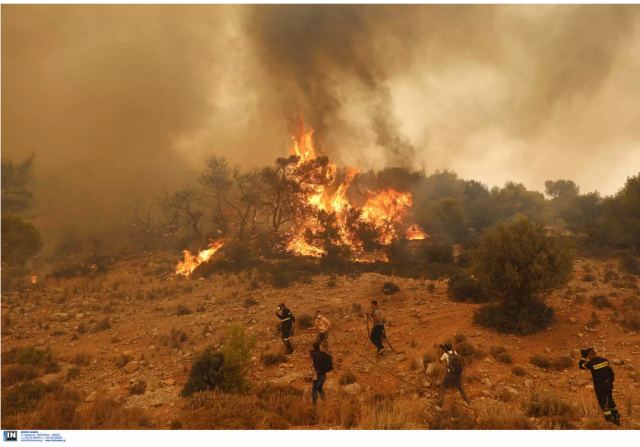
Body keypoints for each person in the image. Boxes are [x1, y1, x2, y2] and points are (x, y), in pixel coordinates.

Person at [579, 347, 620, 425]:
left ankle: (609, 422)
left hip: (600, 387)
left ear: (589, 356)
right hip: (608, 385)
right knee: (610, 401)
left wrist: (583, 357)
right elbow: (611, 372)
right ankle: (616, 418)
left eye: (587, 356)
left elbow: (581, 366)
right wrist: (610, 382)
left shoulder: (591, 363)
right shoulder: (605, 360)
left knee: (604, 404)